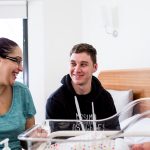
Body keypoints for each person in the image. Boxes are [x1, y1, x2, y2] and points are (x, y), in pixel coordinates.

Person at [46, 43, 120, 131]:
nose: (77, 70)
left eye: (83, 64)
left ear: (95, 67)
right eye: (73, 64)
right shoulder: (56, 101)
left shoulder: (105, 98)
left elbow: (115, 135)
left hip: (101, 144)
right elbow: (56, 142)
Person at [0, 37, 36, 150]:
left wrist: (36, 138)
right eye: (17, 60)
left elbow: (28, 143)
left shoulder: (22, 91)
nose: (21, 68)